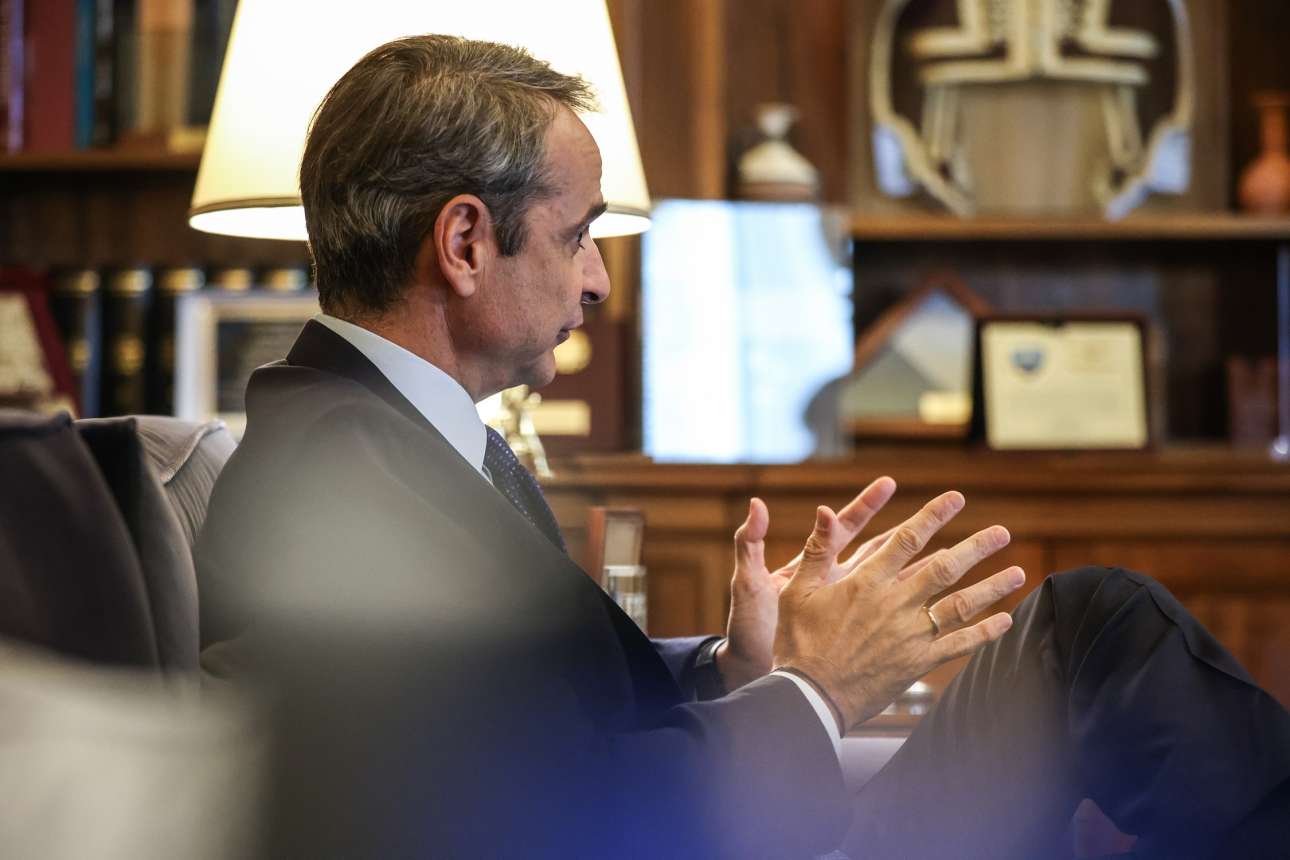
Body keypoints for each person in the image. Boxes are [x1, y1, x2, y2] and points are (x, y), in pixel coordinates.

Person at [196, 35, 1290, 859]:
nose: (597, 280)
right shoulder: (345, 492)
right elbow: (534, 810)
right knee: (1099, 629)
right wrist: (820, 688)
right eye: (579, 236)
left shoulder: (393, 445)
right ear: (467, 241)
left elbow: (542, 718)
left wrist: (736, 662)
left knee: (1090, 638)